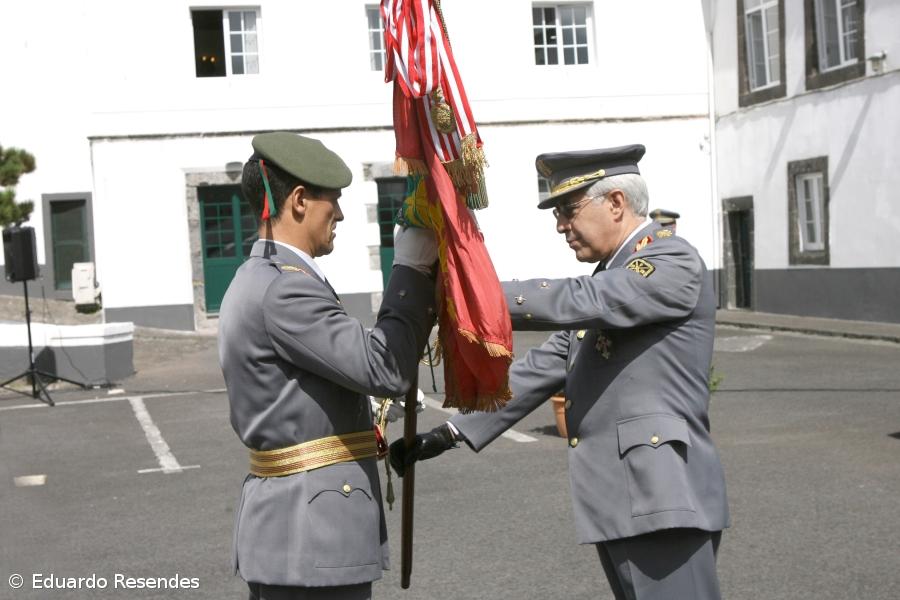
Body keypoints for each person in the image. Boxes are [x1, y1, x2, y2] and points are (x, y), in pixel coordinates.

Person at [391, 144, 730, 600]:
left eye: (569, 210)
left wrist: (470, 293)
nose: (561, 226)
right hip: (629, 499)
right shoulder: (611, 274)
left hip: (662, 498)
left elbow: (581, 301)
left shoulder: (670, 261)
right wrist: (449, 433)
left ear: (616, 203)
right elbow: (545, 367)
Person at [218, 131, 437, 600]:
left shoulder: (258, 276)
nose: (337, 214)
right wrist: (411, 270)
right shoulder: (286, 287)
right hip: (311, 531)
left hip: (290, 528)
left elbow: (308, 380)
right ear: (298, 201)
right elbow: (384, 368)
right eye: (331, 201)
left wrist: (365, 403)